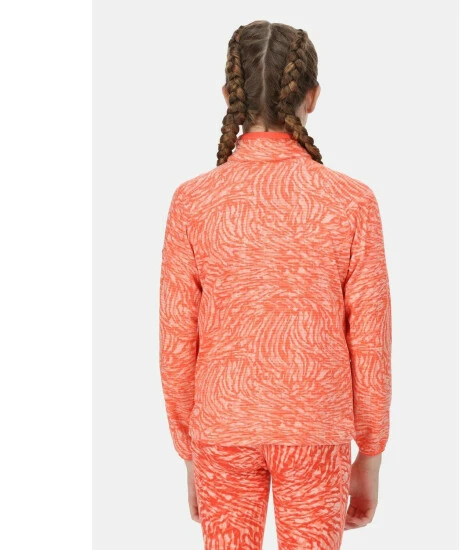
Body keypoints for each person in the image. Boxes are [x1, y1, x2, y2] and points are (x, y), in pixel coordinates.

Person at [159, 20, 392, 550]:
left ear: (229, 96)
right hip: (316, 428)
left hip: (223, 428)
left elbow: (177, 339)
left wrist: (190, 451)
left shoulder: (193, 202)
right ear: (313, 96)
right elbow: (370, 340)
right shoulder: (352, 202)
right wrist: (370, 454)